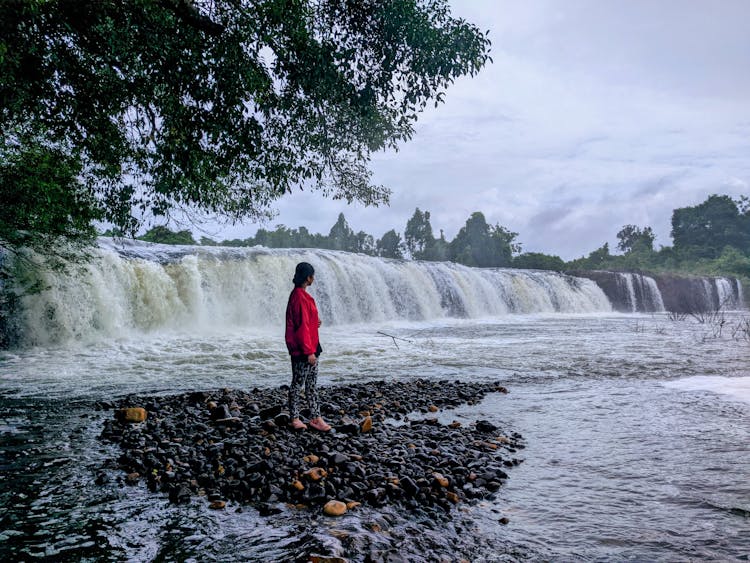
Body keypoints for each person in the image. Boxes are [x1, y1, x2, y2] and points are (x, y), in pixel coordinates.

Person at [285, 262, 331, 432]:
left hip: (310, 345)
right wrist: (309, 352)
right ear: (307, 277)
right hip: (303, 350)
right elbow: (301, 327)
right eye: (312, 275)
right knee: (298, 384)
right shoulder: (298, 296)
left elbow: (306, 322)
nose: (314, 278)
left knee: (311, 385)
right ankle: (295, 418)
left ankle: (316, 417)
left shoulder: (301, 295)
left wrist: (315, 322)